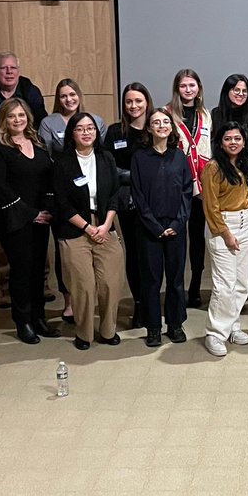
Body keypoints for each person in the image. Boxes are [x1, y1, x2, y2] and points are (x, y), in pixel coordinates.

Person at [0, 52, 47, 310]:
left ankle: (42, 283)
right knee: (4, 228)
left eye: (13, 67)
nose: (9, 72)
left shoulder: (30, 89)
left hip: (29, 166)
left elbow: (40, 120)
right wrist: (4, 154)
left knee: (38, 225)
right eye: (4, 68)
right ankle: (6, 285)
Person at [0, 98, 59, 344]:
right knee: (22, 269)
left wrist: (47, 208)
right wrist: (30, 213)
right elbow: (1, 186)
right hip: (15, 217)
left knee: (39, 269)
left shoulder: (37, 144)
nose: (18, 120)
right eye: (12, 116)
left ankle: (39, 318)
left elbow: (48, 179)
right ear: (4, 121)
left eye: (21, 115)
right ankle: (23, 321)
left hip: (42, 217)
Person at [52, 113, 124, 350]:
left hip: (105, 225)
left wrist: (105, 225)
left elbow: (115, 193)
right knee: (83, 285)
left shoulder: (106, 158)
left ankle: (108, 330)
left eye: (91, 128)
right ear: (72, 133)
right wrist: (87, 227)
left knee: (110, 283)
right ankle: (84, 334)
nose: (86, 132)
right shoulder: (62, 163)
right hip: (75, 228)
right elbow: (61, 203)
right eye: (80, 128)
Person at [38, 77, 106, 321]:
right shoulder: (48, 122)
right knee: (65, 251)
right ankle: (69, 300)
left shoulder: (95, 120)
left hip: (92, 196)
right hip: (64, 195)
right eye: (64, 95)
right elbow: (46, 158)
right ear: (58, 99)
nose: (69, 99)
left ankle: (92, 299)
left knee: (96, 250)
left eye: (72, 94)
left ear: (79, 95)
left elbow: (101, 156)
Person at [131, 107, 194, 348]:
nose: (161, 126)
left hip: (176, 227)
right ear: (149, 128)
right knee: (151, 280)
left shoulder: (179, 156)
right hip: (150, 229)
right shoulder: (140, 157)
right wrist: (155, 226)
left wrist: (178, 223)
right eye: (156, 122)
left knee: (176, 279)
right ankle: (154, 327)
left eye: (165, 122)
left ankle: (175, 324)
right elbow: (137, 195)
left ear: (171, 127)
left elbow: (187, 192)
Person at [201, 122, 248, 357]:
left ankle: (232, 326)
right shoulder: (213, 168)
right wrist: (226, 234)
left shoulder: (245, 164)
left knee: (241, 282)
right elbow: (210, 206)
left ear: (244, 142)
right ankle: (215, 333)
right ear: (220, 142)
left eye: (237, 138)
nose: (233, 142)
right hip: (223, 227)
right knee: (224, 285)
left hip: (247, 223)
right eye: (228, 139)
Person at [105, 82, 153, 328]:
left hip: (155, 202)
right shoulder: (115, 132)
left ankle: (152, 302)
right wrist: (136, 176)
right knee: (133, 254)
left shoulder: (156, 127)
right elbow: (108, 167)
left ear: (147, 102)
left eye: (138, 101)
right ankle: (140, 304)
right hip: (128, 203)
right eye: (129, 102)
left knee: (152, 255)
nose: (134, 106)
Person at [168, 69, 211, 308]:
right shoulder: (167, 113)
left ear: (198, 88)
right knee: (176, 238)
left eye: (192, 85)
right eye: (183, 86)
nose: (188, 90)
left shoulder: (206, 114)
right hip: (175, 185)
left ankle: (195, 285)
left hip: (201, 186)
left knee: (197, 238)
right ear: (177, 89)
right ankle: (175, 288)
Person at [212, 73, 248, 154]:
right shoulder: (215, 114)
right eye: (236, 90)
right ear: (227, 91)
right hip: (221, 161)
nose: (241, 94)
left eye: (244, 91)